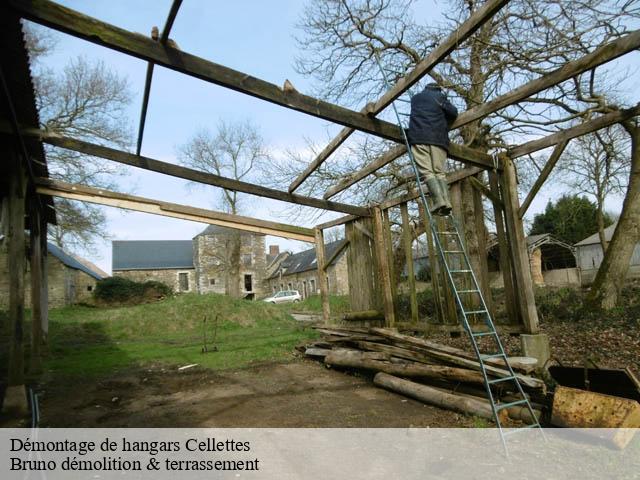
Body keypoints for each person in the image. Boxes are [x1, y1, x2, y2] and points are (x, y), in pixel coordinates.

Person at [407, 83, 458, 216]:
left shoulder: (415, 98)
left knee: (427, 172)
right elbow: (454, 113)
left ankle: (438, 201)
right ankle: (446, 201)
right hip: (438, 140)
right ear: (438, 90)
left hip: (419, 137)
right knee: (439, 172)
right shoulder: (440, 97)